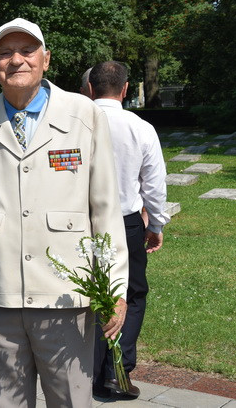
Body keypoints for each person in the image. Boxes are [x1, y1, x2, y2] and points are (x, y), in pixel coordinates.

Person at [0, 18, 129, 407]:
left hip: (65, 297)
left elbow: (104, 208)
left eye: (27, 51)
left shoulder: (83, 114)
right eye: (5, 52)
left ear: (46, 59)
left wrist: (114, 287)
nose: (16, 60)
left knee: (70, 399)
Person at [88, 60, 169, 399]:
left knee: (89, 292)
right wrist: (158, 224)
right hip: (127, 221)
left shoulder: (76, 123)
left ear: (90, 88)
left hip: (82, 222)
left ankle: (88, 368)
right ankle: (118, 369)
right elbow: (154, 183)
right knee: (132, 294)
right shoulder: (140, 127)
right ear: (124, 89)